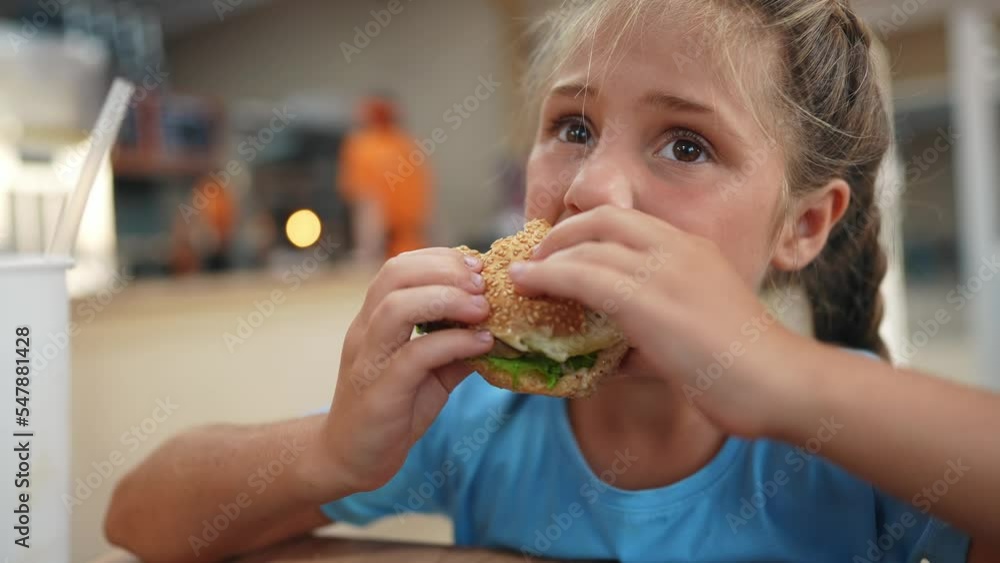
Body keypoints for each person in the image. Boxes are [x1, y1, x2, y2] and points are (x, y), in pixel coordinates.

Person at [104, 2, 1000, 562]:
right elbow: (136, 516)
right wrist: (332, 450)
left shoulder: (845, 440)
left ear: (803, 225)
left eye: (686, 145)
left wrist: (781, 375)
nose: (589, 187)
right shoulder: (476, 415)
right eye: (573, 125)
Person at [337, 95, 431, 262]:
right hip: (416, 248)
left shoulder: (362, 148)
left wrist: (368, 254)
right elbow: (430, 209)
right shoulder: (409, 145)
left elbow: (369, 206)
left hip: (387, 255)